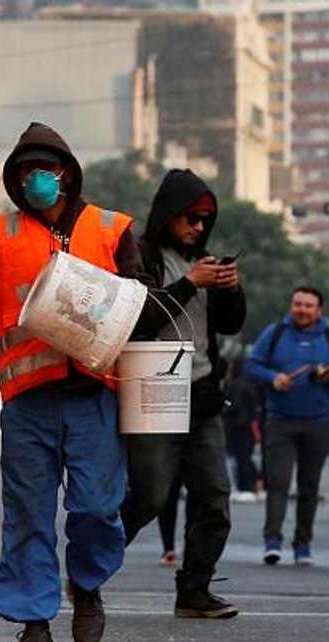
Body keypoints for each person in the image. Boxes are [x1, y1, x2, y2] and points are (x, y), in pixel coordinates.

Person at [0, 121, 163, 642]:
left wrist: (112, 301)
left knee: (98, 509)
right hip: (28, 401)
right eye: (25, 173)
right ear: (14, 181)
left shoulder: (111, 228)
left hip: (95, 396)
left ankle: (87, 585)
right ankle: (33, 621)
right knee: (28, 513)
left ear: (67, 175)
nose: (35, 180)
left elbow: (143, 302)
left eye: (45, 171)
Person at [120, 169, 244, 619]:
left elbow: (228, 325)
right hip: (154, 388)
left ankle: (194, 591)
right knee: (149, 497)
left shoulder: (206, 261)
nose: (198, 227)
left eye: (205, 220)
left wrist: (231, 289)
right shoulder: (142, 256)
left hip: (203, 396)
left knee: (214, 496)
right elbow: (139, 320)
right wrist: (192, 282)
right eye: (190, 217)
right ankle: (90, 568)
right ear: (169, 214)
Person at [244, 286, 329, 565]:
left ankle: (303, 544)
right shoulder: (275, 332)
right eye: (297, 304)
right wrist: (273, 377)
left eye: (308, 305)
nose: (302, 310)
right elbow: (251, 365)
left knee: (309, 486)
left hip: (319, 422)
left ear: (319, 310)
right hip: (280, 420)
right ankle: (273, 540)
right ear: (291, 305)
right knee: (278, 483)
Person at [222, 359, 261, 501]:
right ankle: (250, 484)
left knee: (239, 457)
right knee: (245, 456)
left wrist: (224, 405)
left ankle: (245, 486)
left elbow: (232, 403)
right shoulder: (249, 383)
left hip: (235, 424)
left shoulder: (233, 384)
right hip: (246, 423)